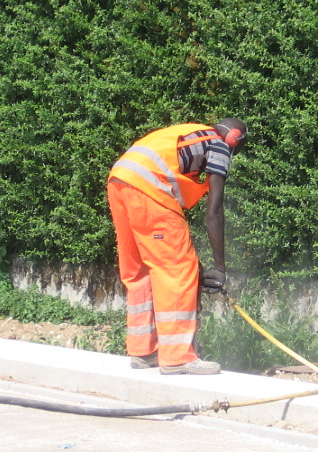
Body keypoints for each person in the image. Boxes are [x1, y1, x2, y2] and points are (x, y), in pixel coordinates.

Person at [106, 118, 248, 374]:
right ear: (234, 138)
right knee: (178, 269)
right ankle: (177, 357)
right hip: (148, 189)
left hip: (119, 182)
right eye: (238, 148)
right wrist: (218, 267)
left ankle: (144, 351)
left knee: (140, 270)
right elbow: (214, 212)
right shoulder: (219, 145)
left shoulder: (190, 132)